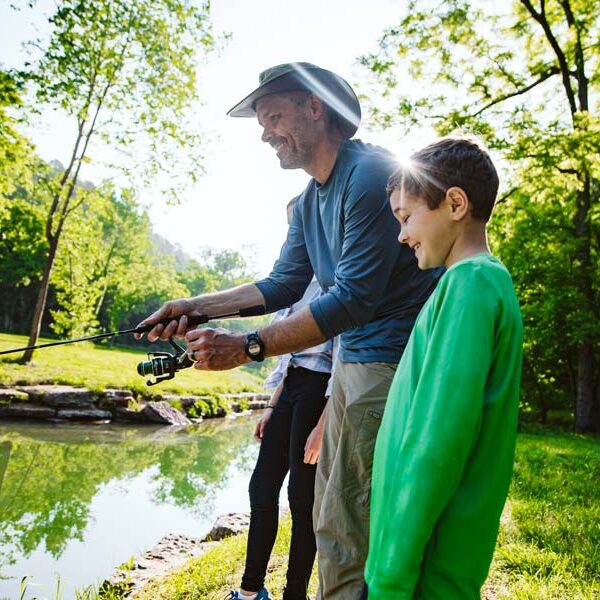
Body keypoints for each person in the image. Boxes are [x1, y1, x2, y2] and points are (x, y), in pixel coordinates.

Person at [137, 62, 440, 599]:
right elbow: (283, 283)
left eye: (272, 115)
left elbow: (351, 297)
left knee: (351, 518)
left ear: (315, 108)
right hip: (353, 362)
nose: (263, 133)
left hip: (390, 361)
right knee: (332, 515)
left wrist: (248, 346)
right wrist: (196, 307)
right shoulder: (307, 200)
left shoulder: (370, 175)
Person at [364, 137, 523, 599]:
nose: (402, 235)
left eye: (406, 217)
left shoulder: (470, 285)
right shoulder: (474, 284)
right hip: (428, 562)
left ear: (455, 203)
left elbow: (438, 440)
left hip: (419, 570)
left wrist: (391, 576)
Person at [230, 200, 337, 600]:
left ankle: (296, 594)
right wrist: (273, 406)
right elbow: (290, 354)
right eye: (292, 227)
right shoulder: (296, 283)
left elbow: (344, 357)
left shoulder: (338, 277)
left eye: (301, 226)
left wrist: (324, 425)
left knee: (302, 501)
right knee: (261, 489)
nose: (297, 235)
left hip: (319, 393)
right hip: (292, 387)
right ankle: (250, 590)